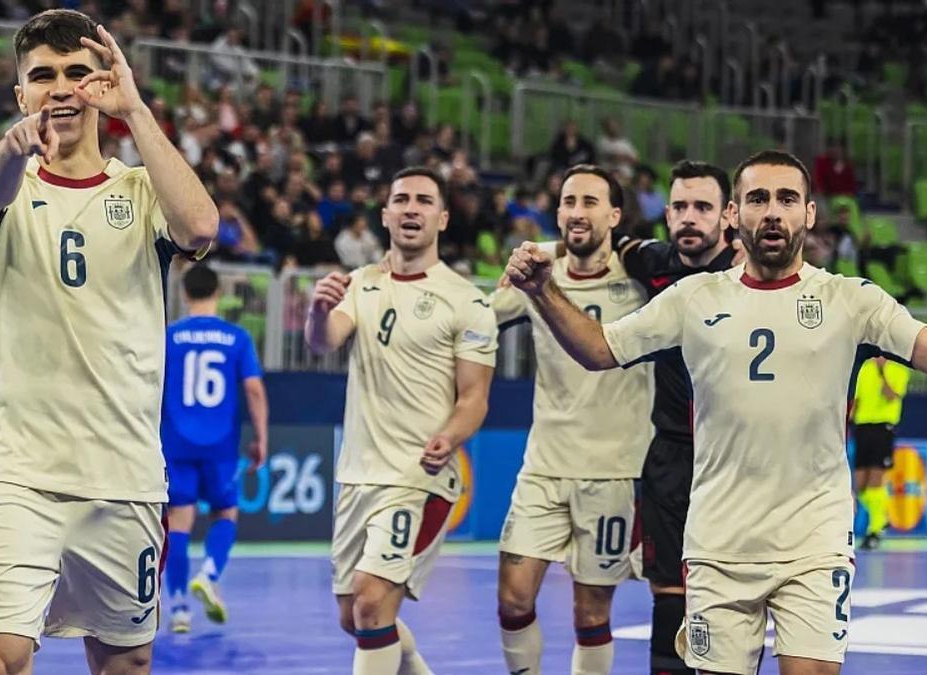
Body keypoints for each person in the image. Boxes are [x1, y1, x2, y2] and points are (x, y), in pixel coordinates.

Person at [504, 149, 927, 675]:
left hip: (814, 539)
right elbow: (600, 350)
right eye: (757, 199)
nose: (772, 213)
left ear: (809, 213)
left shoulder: (853, 300)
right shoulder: (691, 298)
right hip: (719, 542)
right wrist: (543, 290)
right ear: (734, 215)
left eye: (787, 199)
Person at [0, 10, 217, 675]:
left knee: (125, 663)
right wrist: (13, 149)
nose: (60, 87)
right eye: (42, 76)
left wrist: (134, 109)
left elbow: (201, 225)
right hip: (15, 472)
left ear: (100, 81)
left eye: (77, 72)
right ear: (21, 96)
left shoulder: (139, 190)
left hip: (121, 474)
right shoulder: (2, 181)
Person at [531, 159, 740, 675]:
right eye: (681, 207)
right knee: (668, 594)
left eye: (703, 208)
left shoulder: (747, 272)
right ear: (667, 214)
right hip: (670, 453)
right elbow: (598, 244)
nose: (691, 218)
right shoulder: (651, 261)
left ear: (728, 216)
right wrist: (544, 255)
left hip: (738, 456)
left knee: (735, 597)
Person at [305, 166, 497, 675]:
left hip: (420, 477)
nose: (412, 208)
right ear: (386, 215)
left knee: (371, 602)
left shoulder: (467, 300)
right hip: (358, 474)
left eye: (424, 201)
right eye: (402, 199)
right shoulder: (359, 283)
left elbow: (475, 397)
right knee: (356, 617)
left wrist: (450, 437)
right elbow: (324, 340)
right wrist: (317, 311)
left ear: (443, 217)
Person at [491, 165, 651, 675]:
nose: (577, 212)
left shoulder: (642, 279)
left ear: (615, 214)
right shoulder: (537, 272)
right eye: (567, 202)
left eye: (589, 202)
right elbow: (476, 321)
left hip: (615, 472)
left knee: (591, 611)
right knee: (513, 600)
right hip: (543, 466)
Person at [161, 263, 268, 633]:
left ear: (185, 294)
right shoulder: (237, 338)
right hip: (220, 443)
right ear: (218, 294)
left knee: (178, 521)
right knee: (226, 513)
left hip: (175, 440)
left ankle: (177, 608)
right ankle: (208, 573)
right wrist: (261, 437)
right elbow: (253, 389)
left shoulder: (168, 337)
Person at [850, 355, 911, 550]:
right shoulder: (865, 367)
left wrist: (882, 372)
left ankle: (875, 529)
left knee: (876, 478)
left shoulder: (899, 368)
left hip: (883, 426)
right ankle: (882, 517)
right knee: (859, 483)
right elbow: (857, 399)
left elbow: (891, 395)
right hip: (862, 426)